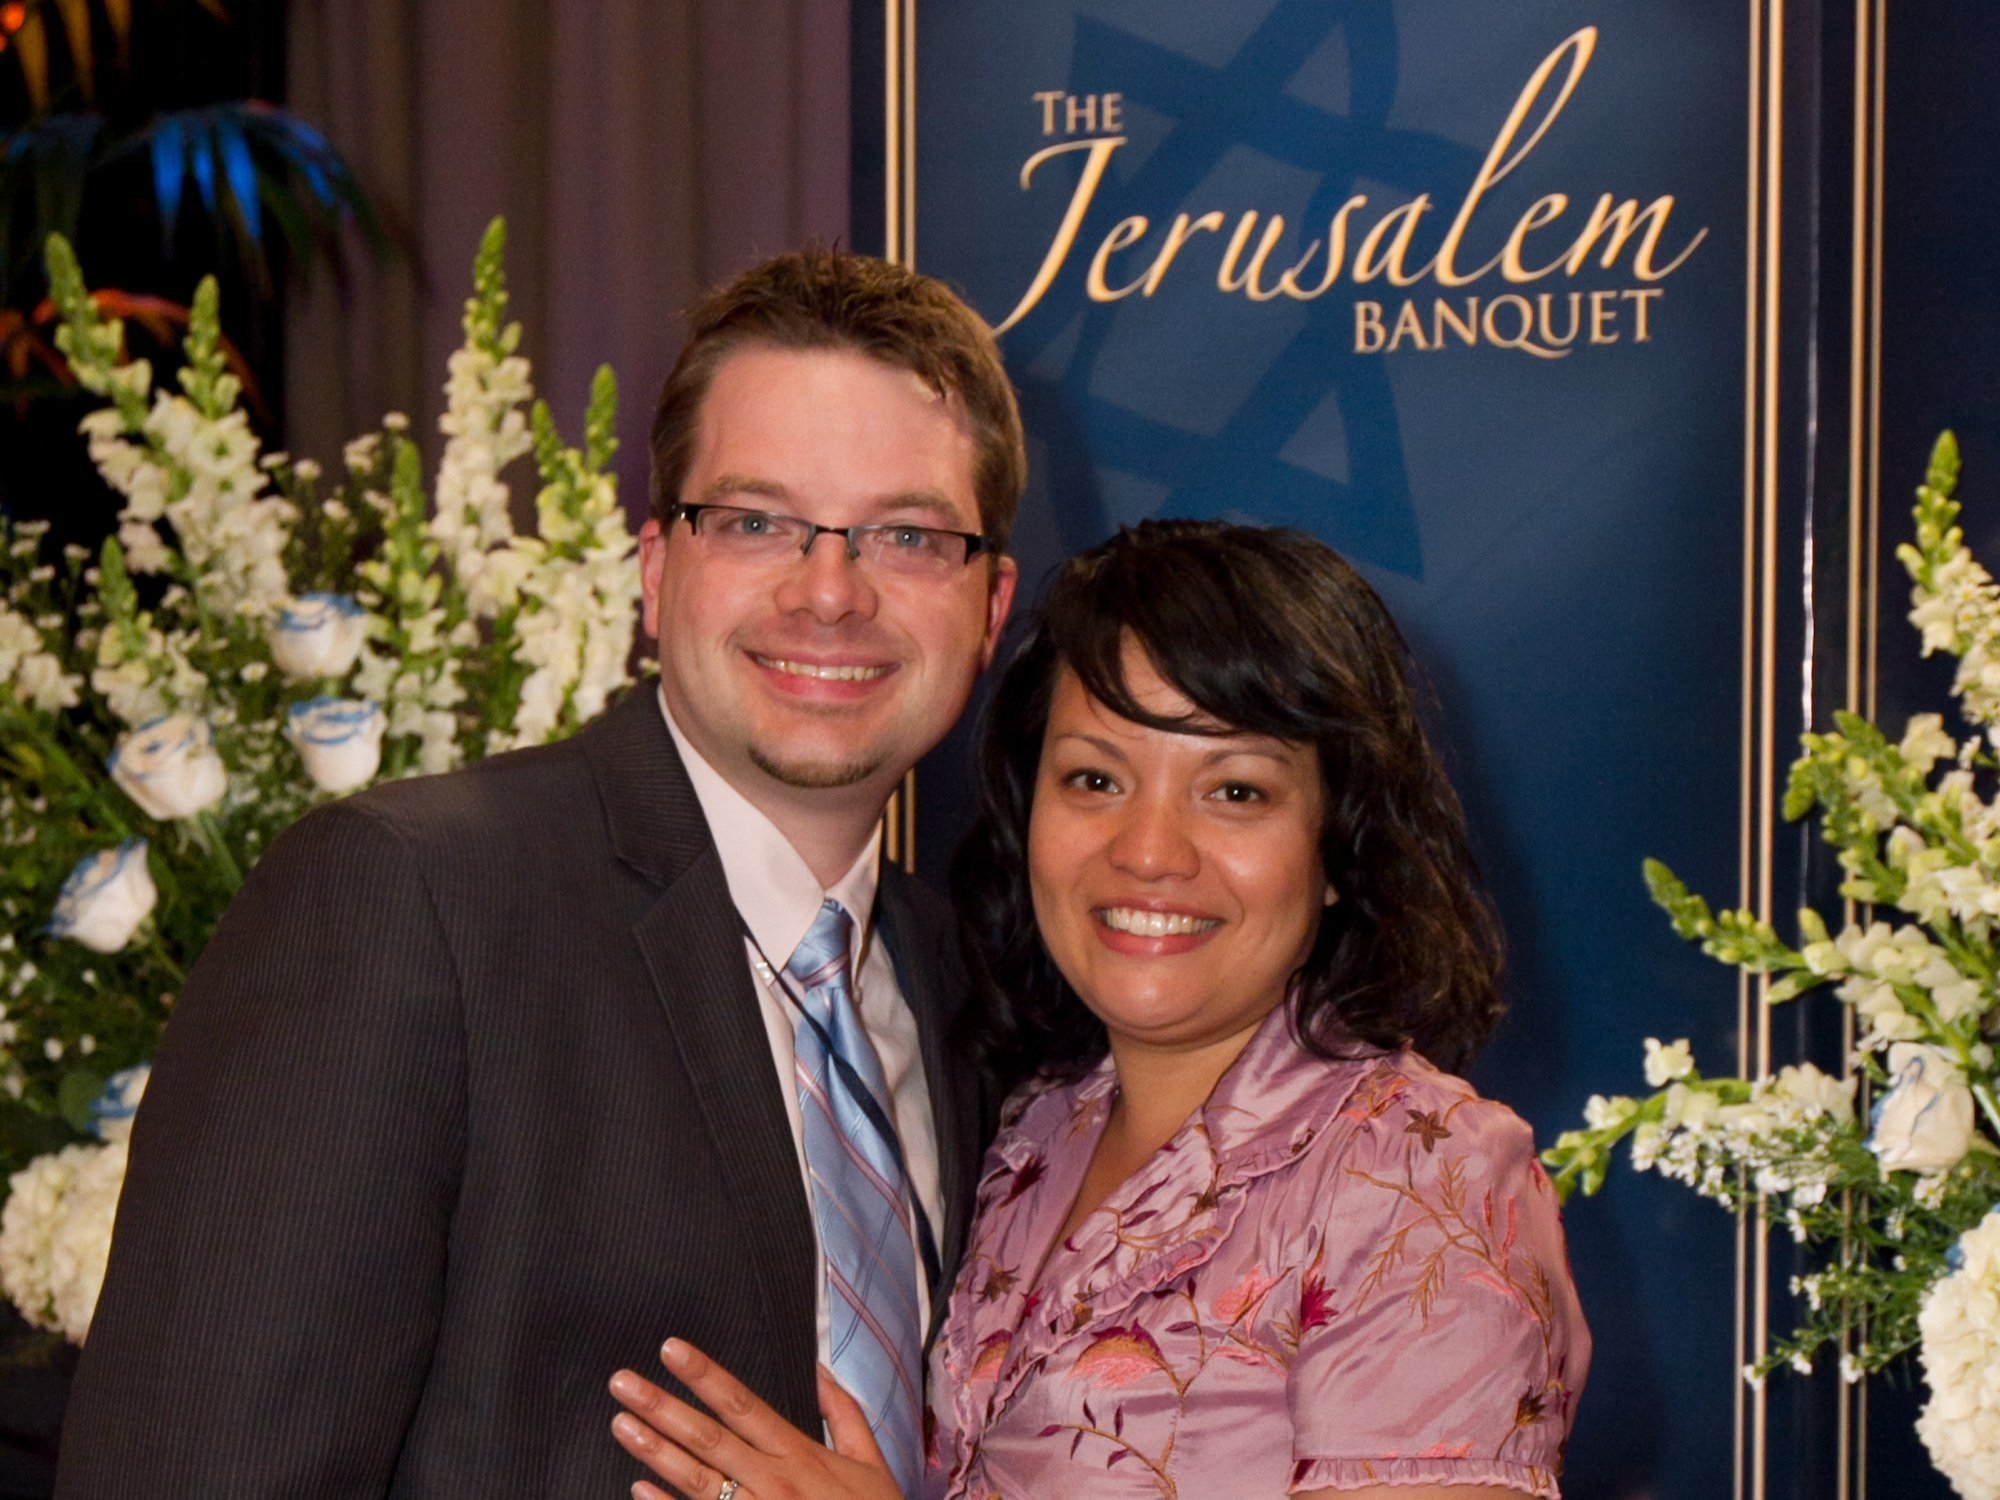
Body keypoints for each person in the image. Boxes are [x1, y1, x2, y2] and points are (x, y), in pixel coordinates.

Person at [55, 249, 1021, 1495]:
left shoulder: (971, 990)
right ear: (656, 569)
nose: (827, 592)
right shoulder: (408, 901)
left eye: (906, 535)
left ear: (990, 607)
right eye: (754, 521)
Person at [605, 520, 1590, 1499]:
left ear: (1337, 842)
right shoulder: (1029, 1131)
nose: (1147, 848)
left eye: (1235, 790)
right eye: (1093, 779)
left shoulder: (1420, 1170)